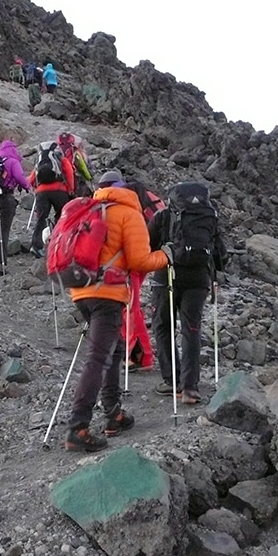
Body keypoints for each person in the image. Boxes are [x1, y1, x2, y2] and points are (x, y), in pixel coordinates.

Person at [64, 182, 170, 452]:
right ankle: (78, 427)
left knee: (114, 348)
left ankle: (114, 415)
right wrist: (165, 256)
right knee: (98, 358)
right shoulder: (128, 213)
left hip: (79, 290)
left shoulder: (91, 208)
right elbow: (139, 261)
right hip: (108, 294)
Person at [147, 185, 227, 404]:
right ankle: (190, 388)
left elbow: (148, 244)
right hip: (199, 279)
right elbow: (221, 254)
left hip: (167, 275)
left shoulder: (163, 215)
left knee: (163, 327)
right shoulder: (210, 216)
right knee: (191, 329)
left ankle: (172, 382)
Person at [120, 179, 166, 372]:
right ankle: (142, 355)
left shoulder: (128, 207)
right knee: (132, 306)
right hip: (150, 259)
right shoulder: (153, 201)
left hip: (132, 262)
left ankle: (139, 356)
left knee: (128, 306)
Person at [0, 140, 32, 274]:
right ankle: (0, 263)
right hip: (6, 198)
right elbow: (20, 177)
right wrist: (27, 186)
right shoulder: (13, 162)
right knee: (3, 231)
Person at [28, 141, 74, 258]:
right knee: (61, 216)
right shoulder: (59, 157)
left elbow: (32, 179)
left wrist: (37, 189)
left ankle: (36, 246)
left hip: (41, 192)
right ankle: (59, 243)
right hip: (59, 190)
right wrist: (70, 189)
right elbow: (69, 172)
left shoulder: (40, 161)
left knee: (41, 218)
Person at [58, 132, 93, 197]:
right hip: (74, 178)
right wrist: (89, 177)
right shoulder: (75, 152)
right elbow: (82, 166)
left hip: (60, 180)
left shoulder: (57, 150)